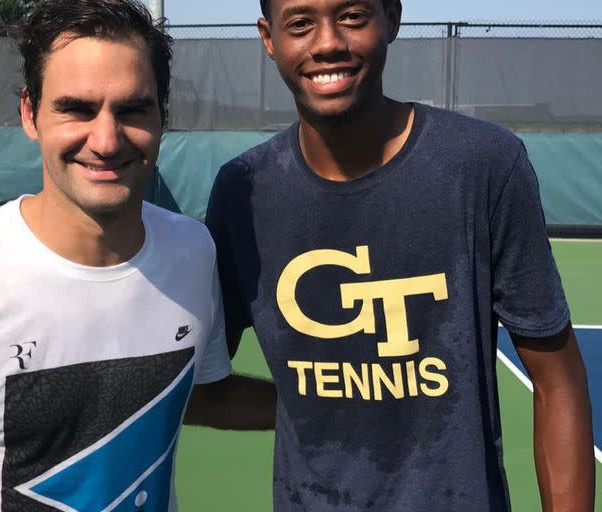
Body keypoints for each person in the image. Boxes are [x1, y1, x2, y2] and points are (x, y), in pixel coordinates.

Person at [0, 1, 275, 510]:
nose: (106, 140)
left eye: (132, 109)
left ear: (162, 115)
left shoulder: (194, 251)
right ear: (30, 113)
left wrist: (343, 405)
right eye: (77, 109)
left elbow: (190, 395)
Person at [205, 0, 595, 510]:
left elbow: (557, 380)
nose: (327, 44)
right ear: (269, 38)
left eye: (352, 16)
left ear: (392, 18)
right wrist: (311, 409)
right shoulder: (242, 191)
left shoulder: (484, 165)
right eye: (300, 24)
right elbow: (193, 383)